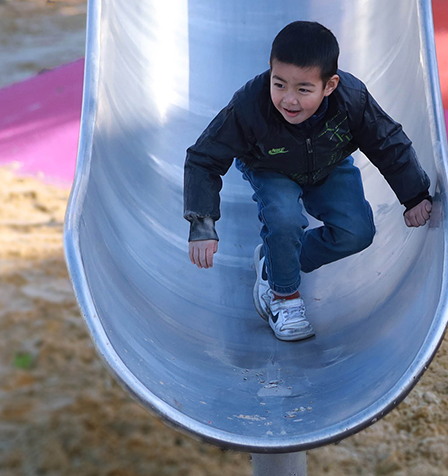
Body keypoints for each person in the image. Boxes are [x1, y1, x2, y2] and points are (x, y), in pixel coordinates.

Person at [183, 20, 434, 342]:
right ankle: (283, 297)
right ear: (270, 72)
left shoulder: (351, 99)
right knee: (284, 219)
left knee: (357, 233)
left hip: (329, 163)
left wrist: (414, 195)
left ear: (329, 85)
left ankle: (274, 263)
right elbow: (204, 157)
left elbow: (387, 142)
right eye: (279, 84)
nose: (289, 100)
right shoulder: (250, 105)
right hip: (270, 166)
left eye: (303, 89)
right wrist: (202, 224)